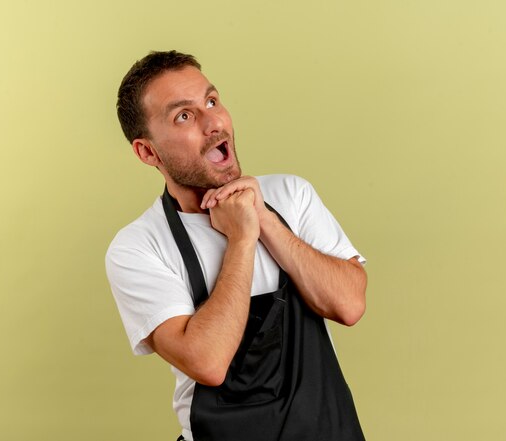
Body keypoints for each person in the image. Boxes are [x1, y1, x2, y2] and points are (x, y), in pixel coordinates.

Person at [106, 50, 368, 441]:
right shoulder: (139, 247)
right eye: (184, 116)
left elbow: (349, 304)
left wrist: (263, 218)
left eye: (212, 101)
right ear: (148, 151)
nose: (213, 123)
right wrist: (242, 238)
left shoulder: (290, 195)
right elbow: (208, 362)